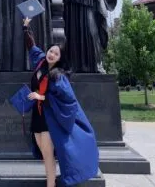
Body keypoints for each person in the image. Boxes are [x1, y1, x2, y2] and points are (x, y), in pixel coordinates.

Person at [23, 17, 99, 187]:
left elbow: (68, 100)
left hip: (50, 118)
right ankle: (51, 182)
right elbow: (31, 47)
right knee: (44, 152)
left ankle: (51, 185)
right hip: (38, 116)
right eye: (51, 51)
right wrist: (25, 28)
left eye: (56, 54)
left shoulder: (59, 76)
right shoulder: (40, 62)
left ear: (59, 58)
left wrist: (41, 97)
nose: (52, 54)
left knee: (49, 154)